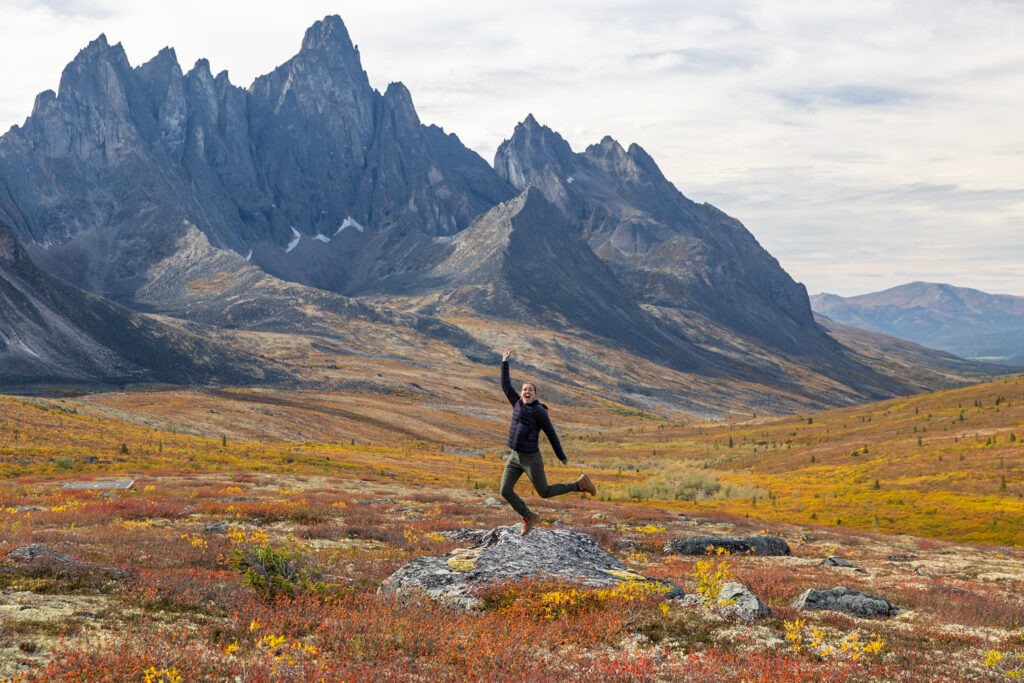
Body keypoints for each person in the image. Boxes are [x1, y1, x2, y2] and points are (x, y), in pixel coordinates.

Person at [499, 347, 596, 535]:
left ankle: (579, 485)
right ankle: (529, 516)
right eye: (524, 390)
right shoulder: (517, 403)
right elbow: (505, 384)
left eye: (530, 390)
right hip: (515, 457)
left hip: (531, 459)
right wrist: (505, 361)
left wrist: (561, 456)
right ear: (521, 393)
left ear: (535, 394)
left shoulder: (539, 412)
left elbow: (551, 433)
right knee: (505, 490)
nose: (526, 392)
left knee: (544, 492)